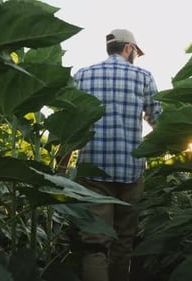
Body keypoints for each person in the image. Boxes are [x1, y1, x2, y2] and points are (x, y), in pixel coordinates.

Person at [72, 29, 162, 281]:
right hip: (130, 169)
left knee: (95, 243)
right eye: (136, 52)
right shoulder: (143, 76)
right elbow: (158, 120)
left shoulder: (82, 75)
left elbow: (71, 122)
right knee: (123, 240)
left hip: (93, 168)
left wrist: (61, 164)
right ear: (129, 49)